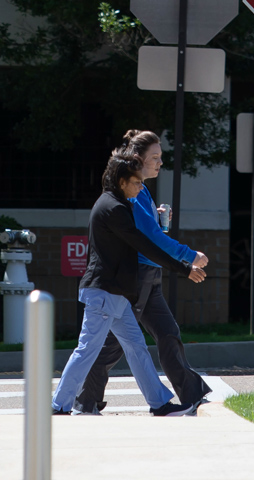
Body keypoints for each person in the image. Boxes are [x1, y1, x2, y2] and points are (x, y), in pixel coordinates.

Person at [52, 154, 207, 416]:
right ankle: (59, 405)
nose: (140, 186)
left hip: (115, 294)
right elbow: (145, 245)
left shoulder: (117, 204)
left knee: (136, 346)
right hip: (103, 293)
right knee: (87, 350)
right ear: (122, 182)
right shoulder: (114, 209)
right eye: (136, 182)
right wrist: (183, 268)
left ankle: (159, 403)